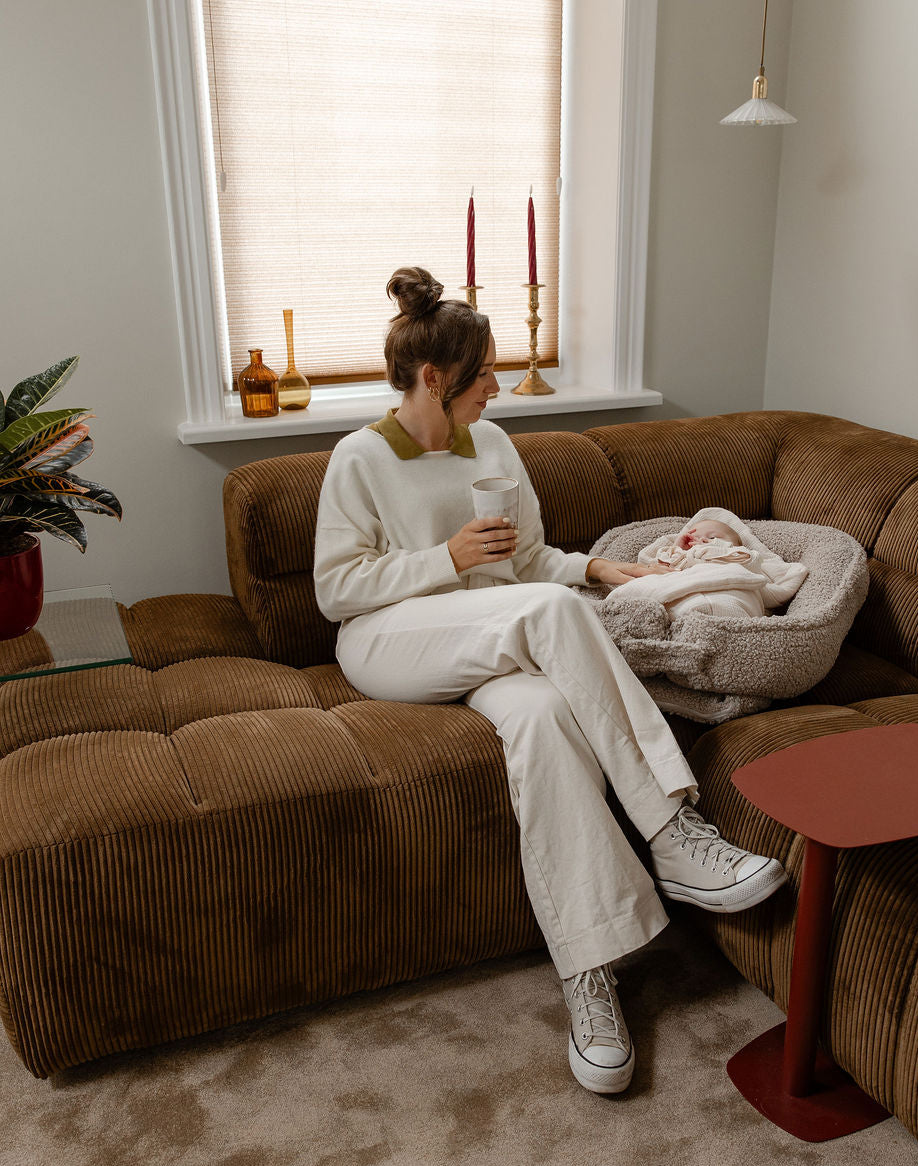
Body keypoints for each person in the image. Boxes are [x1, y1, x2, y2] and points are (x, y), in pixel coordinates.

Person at [312, 268, 786, 1097]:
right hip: (389, 640)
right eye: (485, 372)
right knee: (553, 617)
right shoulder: (358, 459)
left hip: (495, 633)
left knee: (543, 722)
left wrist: (600, 564)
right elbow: (336, 590)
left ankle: (589, 969)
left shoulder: (490, 447)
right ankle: (673, 832)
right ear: (433, 378)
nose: (498, 385)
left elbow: (529, 563)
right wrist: (444, 559)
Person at [605, 513, 808, 623]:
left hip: (730, 596)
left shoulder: (738, 556)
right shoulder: (683, 558)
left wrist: (714, 547)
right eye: (696, 537)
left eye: (713, 537)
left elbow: (753, 564)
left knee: (729, 614)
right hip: (684, 596)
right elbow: (658, 570)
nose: (702, 540)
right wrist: (677, 548)